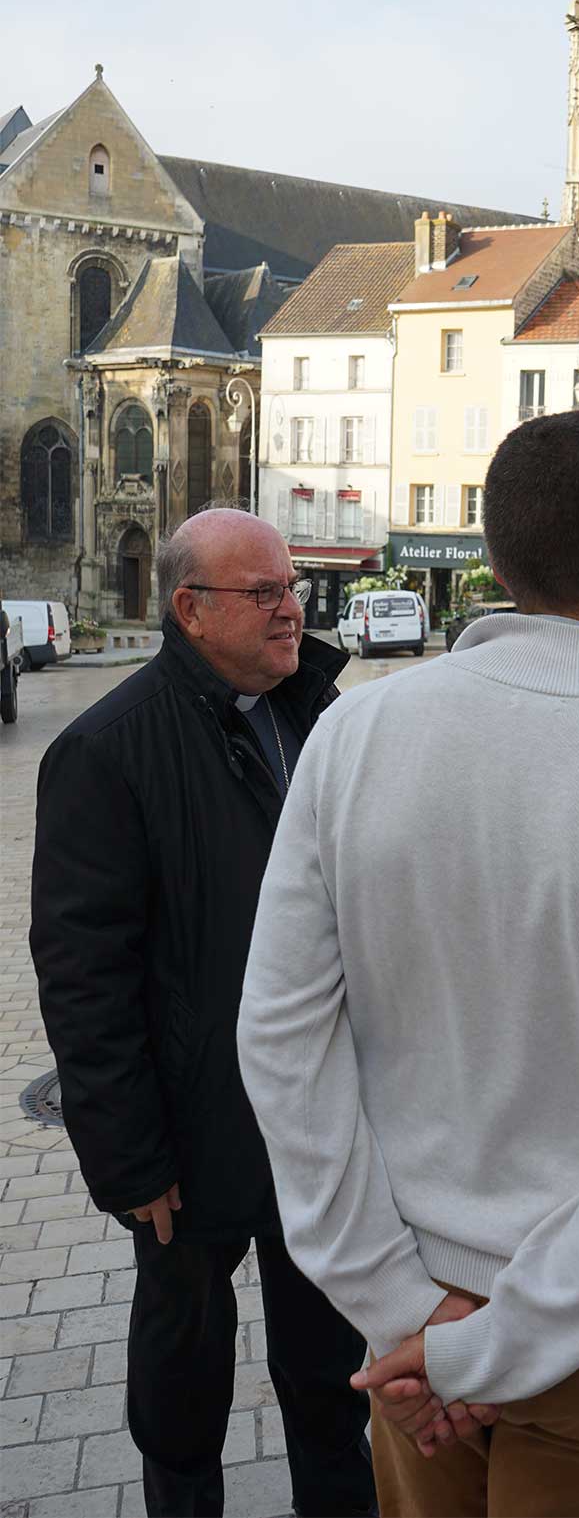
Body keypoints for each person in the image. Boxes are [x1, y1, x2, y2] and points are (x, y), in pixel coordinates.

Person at [238, 411, 579, 1518]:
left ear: (490, 559)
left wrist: (404, 1314)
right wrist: (495, 1345)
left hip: (418, 1300)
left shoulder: (353, 738)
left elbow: (280, 1039)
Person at [30, 509, 375, 1518]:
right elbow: (84, 974)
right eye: (264, 592)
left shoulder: (318, 715)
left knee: (331, 1385)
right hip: (190, 1139)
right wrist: (129, 1159)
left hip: (320, 1125)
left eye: (291, 587)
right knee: (182, 1400)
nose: (291, 608)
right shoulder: (107, 748)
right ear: (190, 610)